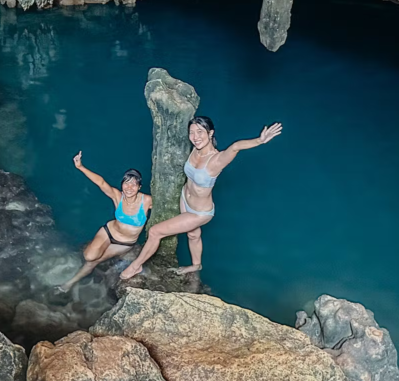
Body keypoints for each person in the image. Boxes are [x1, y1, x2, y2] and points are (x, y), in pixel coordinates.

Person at [120, 116, 282, 280]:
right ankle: (196, 265)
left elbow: (235, 147)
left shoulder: (216, 160)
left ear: (210, 133)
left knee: (155, 232)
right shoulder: (195, 148)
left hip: (200, 212)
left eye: (200, 132)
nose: (195, 137)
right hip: (185, 198)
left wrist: (260, 140)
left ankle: (136, 266)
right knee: (193, 235)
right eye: (191, 132)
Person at [58, 152, 153, 292]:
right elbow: (101, 182)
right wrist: (80, 167)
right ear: (122, 185)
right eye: (126, 183)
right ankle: (92, 249)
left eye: (134, 184)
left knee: (93, 261)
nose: (129, 187)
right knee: (89, 256)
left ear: (139, 187)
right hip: (109, 232)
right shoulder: (117, 196)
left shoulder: (147, 201)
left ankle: (69, 284)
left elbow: (169, 206)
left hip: (125, 243)